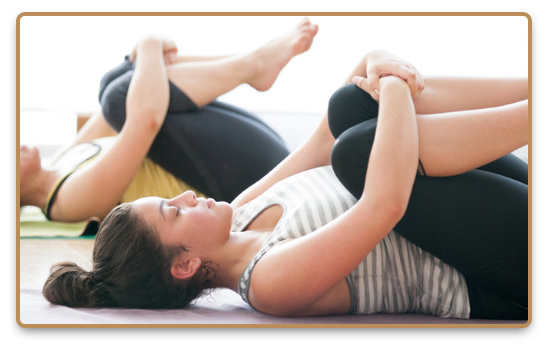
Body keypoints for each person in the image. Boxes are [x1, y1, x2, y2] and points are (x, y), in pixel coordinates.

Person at [43, 45, 528, 320]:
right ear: (186, 264)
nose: (187, 196)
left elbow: (321, 136)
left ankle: (532, 87)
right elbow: (385, 205)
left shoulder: (244, 210)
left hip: (485, 204)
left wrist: (373, 62)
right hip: (498, 270)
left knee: (348, 107)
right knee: (358, 154)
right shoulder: (269, 282)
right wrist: (396, 85)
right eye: (174, 211)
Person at [19, 18, 319, 222]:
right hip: (248, 181)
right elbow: (143, 122)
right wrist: (150, 43)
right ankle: (254, 66)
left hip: (247, 149)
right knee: (118, 98)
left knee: (116, 82)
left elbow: (131, 89)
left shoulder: (62, 160)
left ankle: (254, 64)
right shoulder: (65, 202)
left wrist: (143, 56)